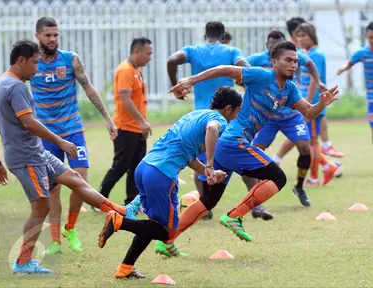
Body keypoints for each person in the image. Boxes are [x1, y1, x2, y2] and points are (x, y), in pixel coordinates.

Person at [154, 41, 339, 257]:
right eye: (288, 60)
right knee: (278, 178)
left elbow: (308, 113)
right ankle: (235, 216)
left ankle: (166, 242)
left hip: (229, 145)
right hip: (234, 141)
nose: (293, 65)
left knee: (208, 201)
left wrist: (321, 104)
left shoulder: (289, 89)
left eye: (296, 61)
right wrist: (191, 80)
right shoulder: (261, 75)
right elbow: (224, 69)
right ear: (274, 62)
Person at [0, 40, 139, 274]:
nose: (37, 69)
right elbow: (28, 122)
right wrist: (59, 141)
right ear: (21, 61)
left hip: (37, 152)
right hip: (27, 156)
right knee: (40, 208)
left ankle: (119, 211)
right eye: (34, 63)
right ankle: (23, 262)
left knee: (74, 178)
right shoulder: (16, 87)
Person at [97, 86, 242, 279]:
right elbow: (212, 128)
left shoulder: (195, 115)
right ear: (229, 108)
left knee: (154, 223)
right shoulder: (218, 121)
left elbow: (187, 157)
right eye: (236, 112)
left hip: (145, 168)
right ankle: (119, 221)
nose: (234, 118)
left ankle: (125, 268)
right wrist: (209, 163)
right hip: (161, 175)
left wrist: (209, 172)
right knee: (167, 233)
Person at [30, 16, 118, 255]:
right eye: (48, 35)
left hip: (73, 129)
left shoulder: (71, 59)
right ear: (37, 35)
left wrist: (108, 119)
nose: (52, 39)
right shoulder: (31, 61)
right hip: (46, 133)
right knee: (53, 188)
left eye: (56, 35)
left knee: (81, 180)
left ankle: (71, 228)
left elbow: (88, 88)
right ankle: (57, 241)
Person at [167, 21, 249, 220]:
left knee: (201, 161)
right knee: (242, 155)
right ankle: (254, 204)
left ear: (206, 36)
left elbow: (172, 60)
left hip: (201, 117)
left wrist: (175, 85)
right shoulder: (231, 51)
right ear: (222, 36)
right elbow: (245, 67)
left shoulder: (194, 51)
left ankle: (205, 204)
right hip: (227, 115)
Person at [246, 30, 326, 206]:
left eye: (278, 43)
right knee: (255, 150)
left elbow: (310, 63)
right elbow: (239, 67)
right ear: (268, 47)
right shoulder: (258, 60)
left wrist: (318, 80)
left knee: (305, 147)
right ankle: (255, 195)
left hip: (291, 115)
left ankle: (299, 186)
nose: (292, 64)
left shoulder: (291, 57)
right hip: (267, 116)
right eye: (271, 44)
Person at [281, 23, 338, 187]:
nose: (300, 39)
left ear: (311, 36)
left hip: (312, 105)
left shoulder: (317, 54)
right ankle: (327, 166)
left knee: (311, 141)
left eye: (303, 35)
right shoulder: (306, 54)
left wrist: (308, 105)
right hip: (309, 104)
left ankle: (314, 177)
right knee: (310, 140)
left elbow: (315, 79)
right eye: (298, 36)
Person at [98, 37, 152, 205]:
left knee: (136, 168)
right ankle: (99, 198)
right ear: (137, 52)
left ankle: (131, 202)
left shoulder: (137, 71)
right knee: (120, 166)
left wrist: (142, 123)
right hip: (125, 127)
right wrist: (142, 121)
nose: (150, 57)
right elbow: (125, 100)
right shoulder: (125, 70)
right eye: (148, 53)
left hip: (137, 128)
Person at [338, 22, 373, 142]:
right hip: (371, 93)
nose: (372, 40)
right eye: (370, 37)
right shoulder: (362, 53)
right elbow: (350, 62)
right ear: (366, 37)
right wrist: (343, 68)